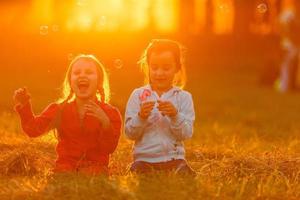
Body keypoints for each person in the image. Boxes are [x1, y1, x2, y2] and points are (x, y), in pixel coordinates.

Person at [13, 54, 122, 175]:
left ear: (99, 81)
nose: (82, 75)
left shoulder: (110, 113)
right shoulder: (60, 110)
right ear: (70, 82)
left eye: (89, 72)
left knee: (94, 172)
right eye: (76, 73)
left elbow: (109, 148)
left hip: (96, 168)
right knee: (64, 172)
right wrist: (25, 107)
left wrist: (105, 123)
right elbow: (33, 130)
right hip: (65, 168)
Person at [125, 39, 196, 175]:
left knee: (183, 172)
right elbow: (129, 133)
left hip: (174, 158)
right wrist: (140, 117)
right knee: (138, 171)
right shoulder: (138, 95)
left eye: (166, 68)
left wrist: (175, 115)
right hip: (144, 160)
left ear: (177, 68)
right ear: (148, 67)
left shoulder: (183, 97)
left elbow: (186, 133)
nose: (159, 73)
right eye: (154, 67)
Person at [277, 1, 300, 92]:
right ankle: (284, 87)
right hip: (288, 44)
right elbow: (280, 26)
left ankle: (296, 86)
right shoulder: (287, 14)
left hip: (297, 44)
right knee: (286, 65)